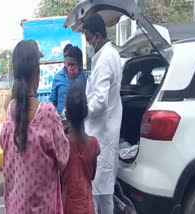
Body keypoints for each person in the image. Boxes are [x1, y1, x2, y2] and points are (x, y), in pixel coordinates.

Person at [0, 40, 69, 214]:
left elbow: (5, 145)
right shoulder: (47, 113)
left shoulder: (10, 112)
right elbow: (63, 158)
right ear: (37, 73)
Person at [83, 13, 123, 214]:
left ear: (97, 36)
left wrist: (80, 111)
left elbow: (98, 103)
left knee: (98, 196)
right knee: (105, 195)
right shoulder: (110, 54)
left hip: (101, 134)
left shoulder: (105, 59)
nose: (88, 44)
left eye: (88, 39)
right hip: (106, 133)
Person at [62, 82, 100, 214]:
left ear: (66, 116)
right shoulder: (94, 144)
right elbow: (92, 175)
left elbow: (59, 178)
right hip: (87, 207)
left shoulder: (63, 144)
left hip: (67, 207)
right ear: (85, 113)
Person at [49, 45, 87, 115]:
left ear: (79, 64)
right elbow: (52, 100)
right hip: (61, 121)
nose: (70, 67)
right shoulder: (58, 77)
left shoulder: (85, 78)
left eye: (72, 64)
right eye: (65, 56)